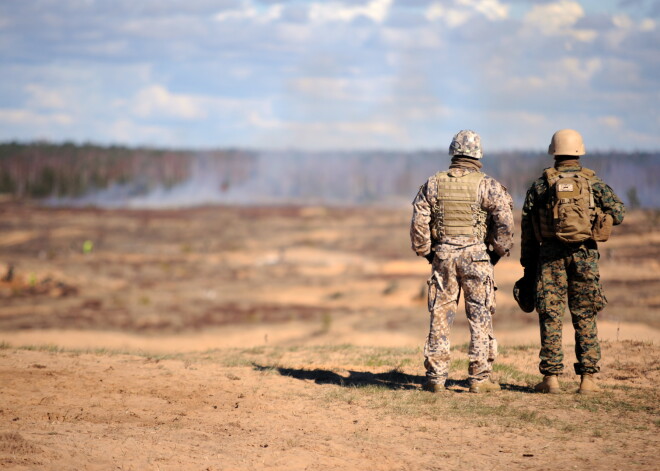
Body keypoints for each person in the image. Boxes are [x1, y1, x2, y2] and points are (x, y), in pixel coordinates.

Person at [520, 129, 625, 394]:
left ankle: (551, 379)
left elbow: (528, 229)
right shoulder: (593, 183)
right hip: (585, 255)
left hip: (549, 257)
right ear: (579, 151)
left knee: (551, 315)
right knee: (585, 314)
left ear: (553, 152)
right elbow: (619, 213)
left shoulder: (541, 185)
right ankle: (588, 379)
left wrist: (528, 266)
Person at [410, 130, 514, 393]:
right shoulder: (489, 185)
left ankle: (436, 377)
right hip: (477, 257)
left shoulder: (433, 183)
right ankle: (479, 379)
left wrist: (428, 252)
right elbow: (505, 222)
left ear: (453, 152)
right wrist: (496, 253)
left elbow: (419, 221)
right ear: (478, 154)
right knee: (480, 316)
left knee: (440, 315)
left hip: (443, 256)